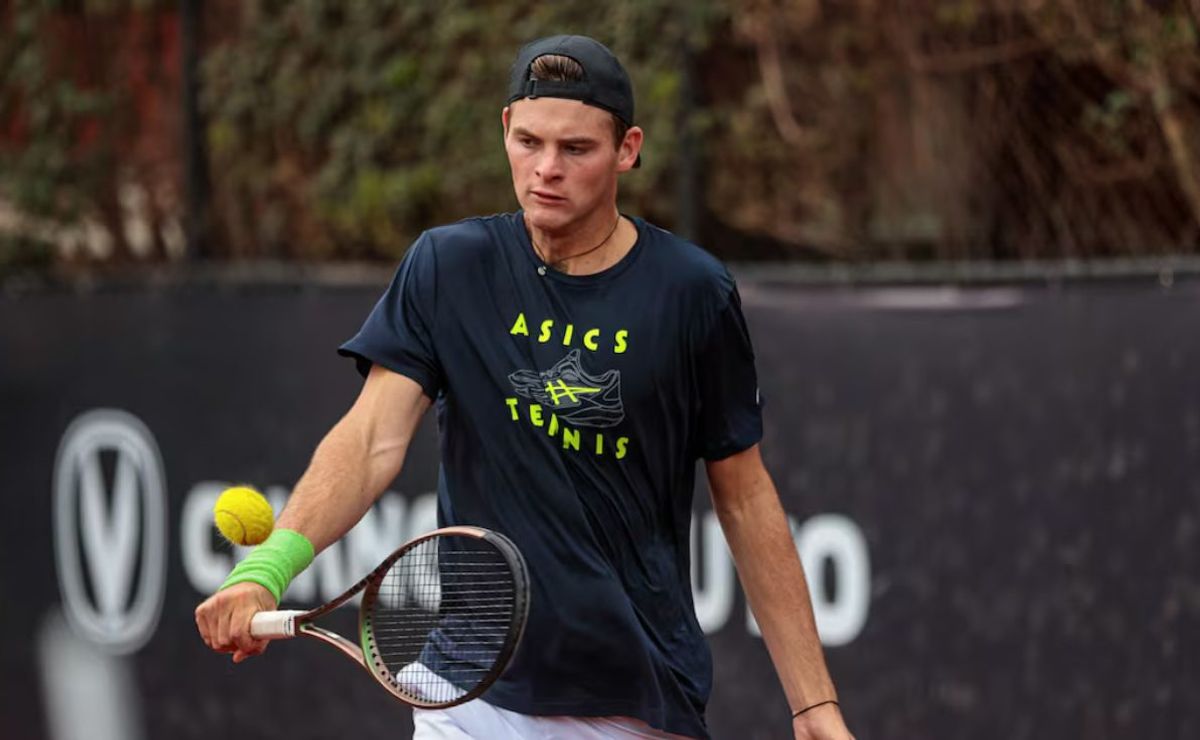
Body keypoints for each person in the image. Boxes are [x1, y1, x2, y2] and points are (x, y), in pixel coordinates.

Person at [195, 34, 852, 740]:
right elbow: (369, 440)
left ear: (627, 150)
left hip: (634, 700)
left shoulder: (692, 292)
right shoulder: (448, 267)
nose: (546, 169)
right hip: (467, 694)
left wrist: (813, 704)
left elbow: (745, 498)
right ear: (505, 128)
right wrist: (266, 569)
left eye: (577, 149)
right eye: (529, 142)